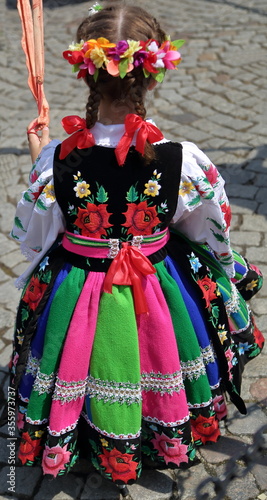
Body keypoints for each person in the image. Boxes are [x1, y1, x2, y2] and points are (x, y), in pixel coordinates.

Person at [1, 1, 264, 489]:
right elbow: (209, 225)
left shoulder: (58, 161)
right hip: (158, 278)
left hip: (78, 284)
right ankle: (160, 424)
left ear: (86, 77)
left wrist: (42, 157)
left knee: (81, 355)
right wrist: (219, 268)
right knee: (159, 350)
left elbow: (34, 238)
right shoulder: (182, 160)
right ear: (153, 76)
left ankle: (79, 427)